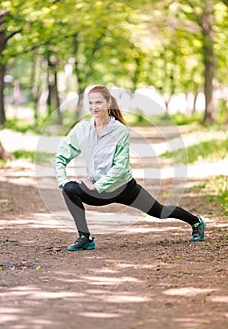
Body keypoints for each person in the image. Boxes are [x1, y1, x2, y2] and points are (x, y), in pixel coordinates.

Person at [53, 85, 206, 251]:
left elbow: (120, 168)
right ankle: (84, 237)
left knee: (159, 211)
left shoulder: (120, 131)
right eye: (90, 103)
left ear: (109, 102)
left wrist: (96, 186)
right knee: (69, 189)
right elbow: (61, 156)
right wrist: (63, 180)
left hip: (123, 187)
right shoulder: (82, 129)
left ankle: (195, 221)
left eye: (98, 102)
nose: (94, 107)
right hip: (97, 189)